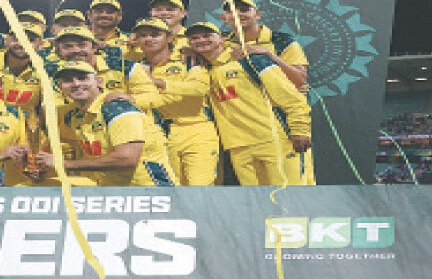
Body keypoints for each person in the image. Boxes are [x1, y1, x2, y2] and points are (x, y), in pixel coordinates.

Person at [186, 21, 311, 186]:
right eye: (195, 38)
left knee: (290, 200)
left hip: (272, 141)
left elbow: (291, 96)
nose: (201, 40)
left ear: (222, 38)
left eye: (207, 35)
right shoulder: (203, 71)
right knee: (257, 204)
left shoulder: (250, 59)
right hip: (238, 148)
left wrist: (300, 129)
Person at [33, 61, 176, 186]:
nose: (76, 84)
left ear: (99, 82)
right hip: (109, 189)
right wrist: (43, 168)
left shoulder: (116, 108)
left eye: (83, 78)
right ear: (60, 86)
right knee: (30, 187)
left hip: (150, 189)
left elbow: (127, 158)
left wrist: (64, 164)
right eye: (68, 80)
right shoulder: (73, 114)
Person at [221, 0, 315, 184]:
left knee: (294, 192)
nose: (238, 14)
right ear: (225, 18)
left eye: (244, 9)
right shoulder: (222, 43)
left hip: (281, 127)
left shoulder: (281, 40)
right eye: (232, 10)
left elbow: (299, 79)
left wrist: (268, 54)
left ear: (258, 15)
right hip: (242, 136)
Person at [132, 17, 219, 185]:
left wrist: (157, 82)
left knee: (200, 189)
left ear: (170, 38)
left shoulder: (188, 59)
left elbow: (199, 88)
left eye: (155, 34)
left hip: (197, 129)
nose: (149, 39)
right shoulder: (136, 67)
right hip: (163, 135)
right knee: (175, 190)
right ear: (137, 40)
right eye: (143, 35)